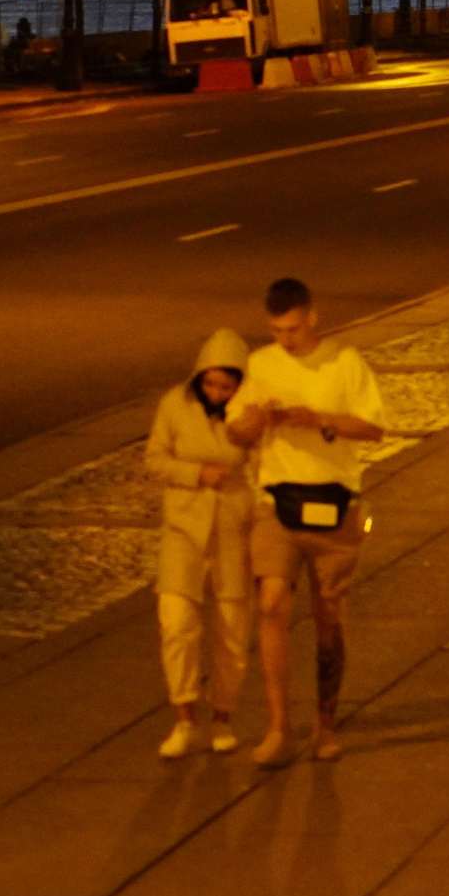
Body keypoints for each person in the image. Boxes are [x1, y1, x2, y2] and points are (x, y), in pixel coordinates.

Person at [226, 276, 384, 766]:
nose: (285, 339)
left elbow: (374, 426)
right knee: (271, 601)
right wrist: (257, 419)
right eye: (276, 330)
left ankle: (325, 724)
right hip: (277, 500)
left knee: (328, 616)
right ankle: (278, 726)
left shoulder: (345, 361)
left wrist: (319, 420)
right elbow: (237, 431)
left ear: (312, 317)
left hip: (336, 503)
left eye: (293, 328)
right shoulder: (260, 365)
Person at [145, 340, 255, 758]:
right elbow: (154, 459)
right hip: (183, 527)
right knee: (176, 624)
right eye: (210, 384)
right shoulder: (175, 404)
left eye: (226, 386)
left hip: (232, 529)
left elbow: (264, 463)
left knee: (231, 630)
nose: (216, 392)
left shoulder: (250, 412)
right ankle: (184, 717)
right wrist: (195, 473)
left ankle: (223, 717)